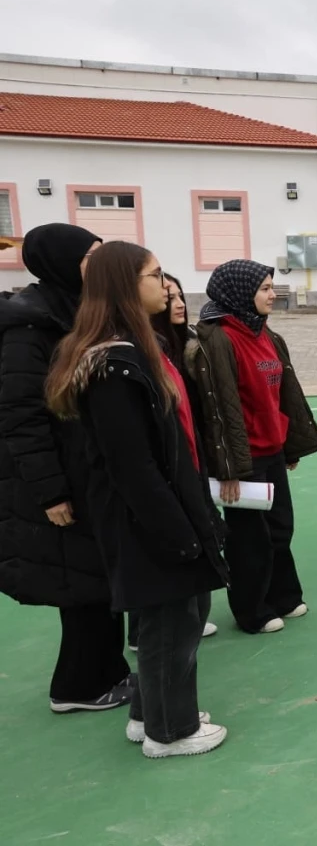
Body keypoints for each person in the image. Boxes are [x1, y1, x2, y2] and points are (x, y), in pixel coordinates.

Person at [45, 240, 229, 758]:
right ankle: (169, 732)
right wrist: (178, 532)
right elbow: (132, 465)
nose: (165, 285)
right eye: (155, 274)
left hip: (162, 507)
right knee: (172, 618)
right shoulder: (113, 365)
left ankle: (150, 713)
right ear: (125, 286)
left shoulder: (135, 348)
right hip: (147, 517)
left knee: (172, 614)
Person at [0, 223, 133, 714]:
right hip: (62, 479)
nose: (99, 266)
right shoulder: (29, 326)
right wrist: (51, 492)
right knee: (80, 585)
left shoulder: (77, 312)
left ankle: (107, 672)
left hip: (88, 472)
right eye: (90, 257)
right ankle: (77, 687)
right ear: (60, 262)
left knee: (99, 578)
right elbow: (21, 417)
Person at [186, 260, 317, 634]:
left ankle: (284, 596)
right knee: (250, 538)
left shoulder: (266, 334)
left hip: (272, 450)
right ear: (240, 293)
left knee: (280, 528)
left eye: (271, 287)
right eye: (264, 288)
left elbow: (284, 397)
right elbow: (216, 410)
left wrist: (289, 446)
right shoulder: (218, 340)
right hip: (243, 456)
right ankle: (252, 610)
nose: (272, 295)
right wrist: (228, 468)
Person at [129, 274, 218, 647]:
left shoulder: (184, 344)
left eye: (180, 296)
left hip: (190, 460)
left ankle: (184, 619)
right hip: (169, 470)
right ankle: (143, 632)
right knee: (166, 552)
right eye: (169, 294)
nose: (177, 303)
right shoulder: (138, 354)